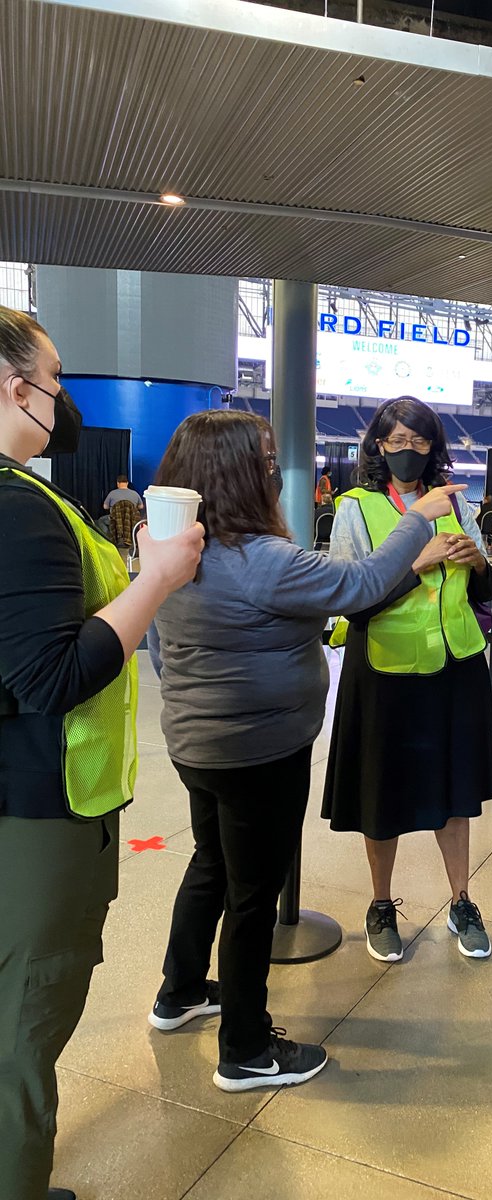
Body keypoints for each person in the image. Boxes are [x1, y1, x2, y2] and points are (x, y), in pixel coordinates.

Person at [146, 410, 462, 1092]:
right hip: (258, 750)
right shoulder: (262, 561)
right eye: (264, 461)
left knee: (211, 863)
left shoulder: (167, 548)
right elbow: (361, 586)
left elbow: (158, 650)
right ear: (240, 476)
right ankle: (247, 1050)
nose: (274, 473)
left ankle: (179, 992)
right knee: (253, 896)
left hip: (196, 744)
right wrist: (422, 520)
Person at [0, 306, 204, 1200]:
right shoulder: (17, 507)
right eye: (54, 380)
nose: (62, 397)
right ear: (16, 389)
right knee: (21, 1031)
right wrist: (156, 579)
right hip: (34, 811)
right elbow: (51, 675)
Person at [322, 396, 492, 962]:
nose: (407, 452)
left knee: (456, 792)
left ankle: (461, 899)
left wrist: (476, 564)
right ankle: (380, 904)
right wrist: (415, 564)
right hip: (385, 671)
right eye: (396, 441)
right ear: (376, 444)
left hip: (456, 665)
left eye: (419, 441)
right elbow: (350, 600)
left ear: (434, 447)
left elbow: (485, 594)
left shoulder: (454, 502)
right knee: (384, 793)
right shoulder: (356, 507)